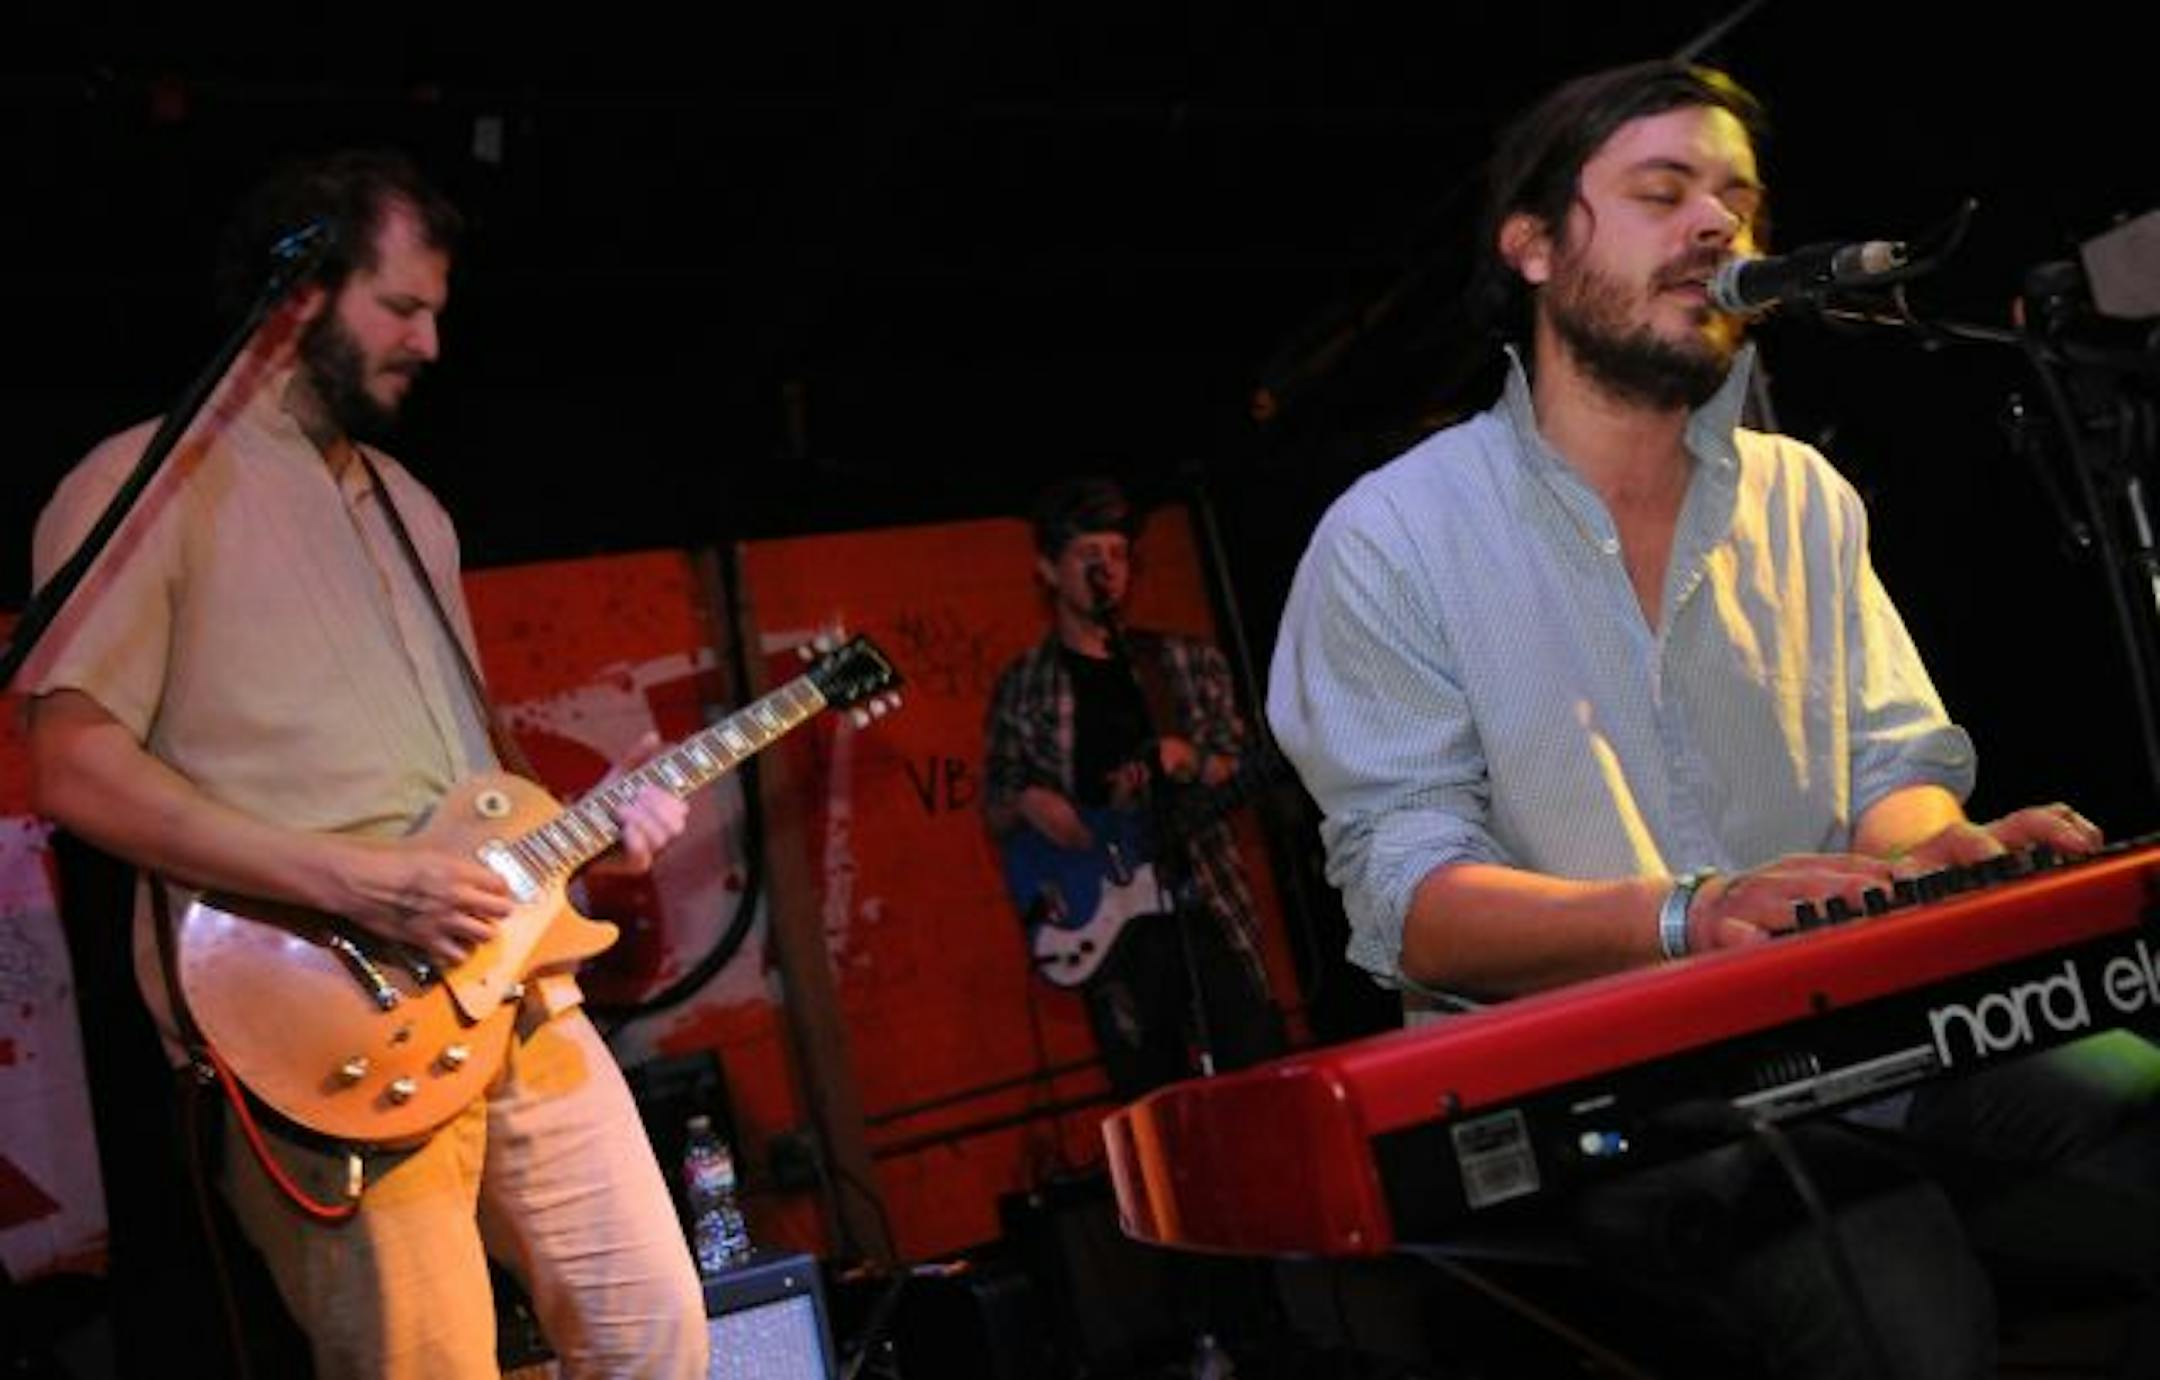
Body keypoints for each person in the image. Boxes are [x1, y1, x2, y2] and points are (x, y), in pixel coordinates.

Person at [1267, 60, 2159, 1378]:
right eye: (1661, 191)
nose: (1715, 227)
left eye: (1735, 199)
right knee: (1902, 1291)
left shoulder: (1805, 500)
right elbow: (1412, 900)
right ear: (1531, 244)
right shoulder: (1393, 539)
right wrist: (1689, 915)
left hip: (1874, 1032)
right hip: (1605, 1105)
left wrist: (1944, 857)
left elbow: (1888, 771)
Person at [22, 151, 708, 1378]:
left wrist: (597, 829)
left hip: (519, 1000)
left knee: (658, 1339)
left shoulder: (411, 507)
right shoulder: (137, 486)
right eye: (402, 306)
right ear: (298, 294)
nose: (432, 342)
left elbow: (473, 775)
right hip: (321, 1038)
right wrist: (354, 884)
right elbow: (71, 771)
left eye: (437, 311)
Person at [983, 476, 1285, 1099]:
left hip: (1203, 898)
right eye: (1088, 555)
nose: (1107, 569)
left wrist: (1190, 760)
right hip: (1107, 924)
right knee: (1153, 1095)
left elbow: (1236, 764)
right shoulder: (1025, 685)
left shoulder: (1183, 662)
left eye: (1118, 555)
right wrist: (1030, 803)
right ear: (1048, 568)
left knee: (1255, 1072)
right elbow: (995, 803)